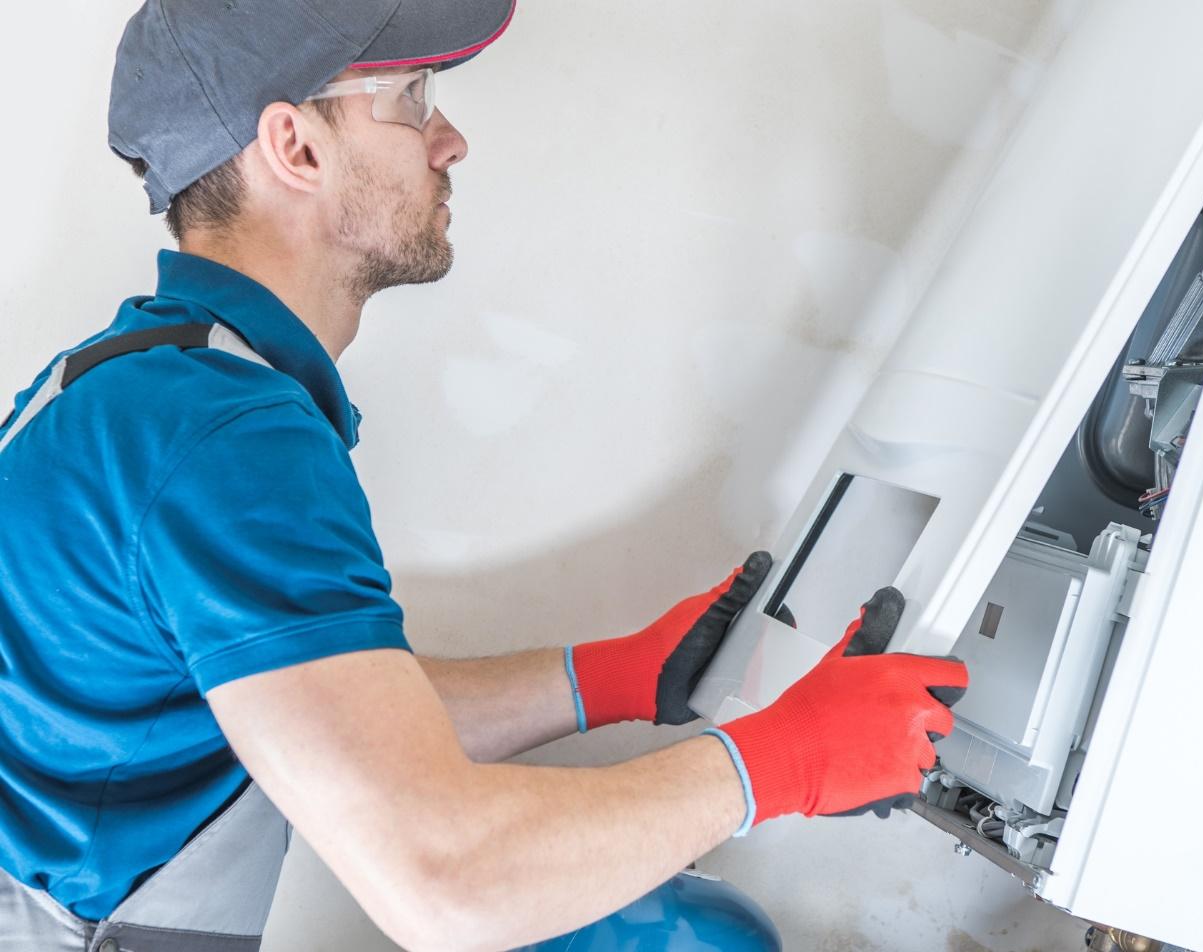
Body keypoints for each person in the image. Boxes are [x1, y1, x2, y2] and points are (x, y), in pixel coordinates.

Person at [0, 1, 969, 949]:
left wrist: (609, 677)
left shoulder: (129, 383)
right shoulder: (225, 438)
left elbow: (321, 715)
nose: (450, 140)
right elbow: (445, 880)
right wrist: (778, 762)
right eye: (412, 99)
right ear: (295, 148)